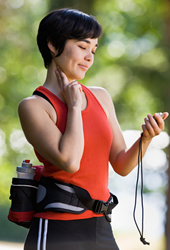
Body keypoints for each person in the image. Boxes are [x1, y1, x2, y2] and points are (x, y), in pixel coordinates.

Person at [18, 8, 169, 250]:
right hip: (57, 230)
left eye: (94, 49)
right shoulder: (34, 106)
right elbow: (70, 161)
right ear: (53, 46)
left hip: (101, 226)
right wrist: (75, 107)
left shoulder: (101, 97)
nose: (90, 57)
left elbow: (121, 165)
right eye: (82, 46)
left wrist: (146, 138)